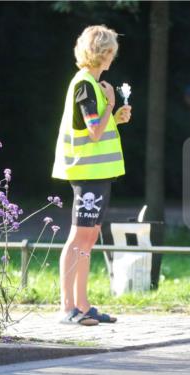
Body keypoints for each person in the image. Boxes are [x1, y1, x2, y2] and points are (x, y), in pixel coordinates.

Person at [52, 25, 131, 325]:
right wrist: (110, 103)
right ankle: (67, 307)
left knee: (88, 238)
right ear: (102, 53)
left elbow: (95, 127)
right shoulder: (86, 85)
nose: (113, 56)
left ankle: (82, 304)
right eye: (111, 51)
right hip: (87, 172)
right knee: (79, 238)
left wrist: (114, 117)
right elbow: (94, 132)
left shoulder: (92, 85)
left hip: (97, 173)